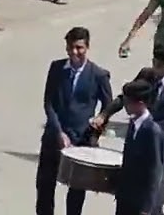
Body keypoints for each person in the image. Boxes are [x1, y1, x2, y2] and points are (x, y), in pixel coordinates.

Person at [38, 26, 113, 215]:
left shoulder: (98, 75)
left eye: (79, 48)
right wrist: (58, 132)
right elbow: (49, 103)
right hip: (54, 137)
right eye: (71, 47)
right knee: (45, 187)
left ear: (87, 47)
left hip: (81, 141)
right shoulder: (56, 68)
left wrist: (97, 130)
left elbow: (108, 107)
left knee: (76, 194)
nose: (74, 52)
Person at [93, 42, 164, 177]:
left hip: (160, 143)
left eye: (160, 66)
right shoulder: (147, 75)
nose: (156, 69)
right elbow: (125, 97)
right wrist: (104, 115)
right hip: (137, 137)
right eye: (154, 63)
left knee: (155, 184)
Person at [114, 80, 164, 215]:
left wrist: (147, 208)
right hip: (127, 197)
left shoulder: (152, 131)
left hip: (144, 202)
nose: (125, 106)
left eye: (127, 102)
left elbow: (155, 172)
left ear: (140, 104)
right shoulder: (133, 125)